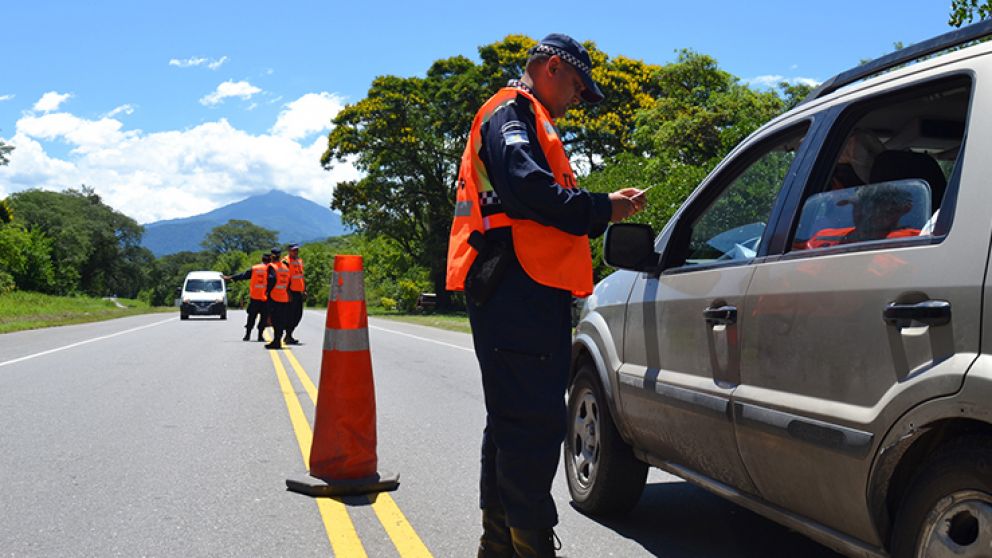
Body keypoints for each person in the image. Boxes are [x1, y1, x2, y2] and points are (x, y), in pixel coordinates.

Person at [445, 33, 645, 558]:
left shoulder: (529, 117)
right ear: (552, 67)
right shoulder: (511, 112)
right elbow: (528, 190)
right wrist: (603, 208)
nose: (578, 99)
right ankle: (528, 544)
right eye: (577, 86)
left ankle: (500, 544)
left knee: (513, 420)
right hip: (516, 287)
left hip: (527, 287)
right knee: (532, 423)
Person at [223, 253, 271, 341]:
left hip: (255, 298)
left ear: (262, 259)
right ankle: (260, 336)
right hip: (266, 298)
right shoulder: (271, 269)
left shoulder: (255, 268)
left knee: (251, 317)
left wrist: (230, 277)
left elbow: (243, 275)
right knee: (264, 318)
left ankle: (247, 335)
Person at [264, 247, 291, 350]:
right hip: (284, 297)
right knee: (281, 320)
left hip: (274, 297)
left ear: (271, 256)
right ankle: (278, 340)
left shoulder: (272, 266)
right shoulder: (285, 267)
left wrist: (268, 291)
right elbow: (289, 281)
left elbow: (272, 279)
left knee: (275, 320)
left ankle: (276, 341)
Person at [282, 243, 306, 345]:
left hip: (299, 292)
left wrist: (304, 290)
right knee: (290, 315)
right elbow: (284, 278)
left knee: (298, 315)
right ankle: (288, 335)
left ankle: (289, 335)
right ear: (289, 250)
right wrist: (287, 292)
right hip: (290, 292)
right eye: (293, 250)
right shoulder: (286, 261)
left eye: (297, 250)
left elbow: (301, 276)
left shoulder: (299, 261)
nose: (296, 252)